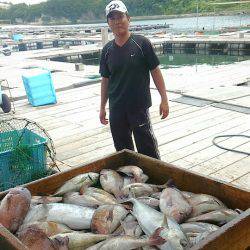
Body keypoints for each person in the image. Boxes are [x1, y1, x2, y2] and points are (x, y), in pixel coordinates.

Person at [99, 0, 169, 159]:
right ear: (108, 23)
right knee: (123, 152)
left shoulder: (142, 43)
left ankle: (155, 178)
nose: (117, 21)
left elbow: (156, 72)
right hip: (116, 109)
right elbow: (105, 80)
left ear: (128, 18)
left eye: (120, 16)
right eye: (112, 18)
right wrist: (102, 107)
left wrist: (164, 99)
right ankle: (131, 181)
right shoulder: (107, 50)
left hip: (139, 107)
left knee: (148, 150)